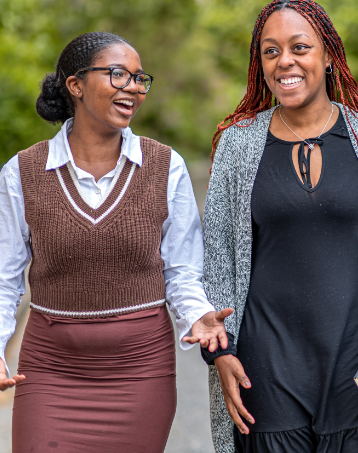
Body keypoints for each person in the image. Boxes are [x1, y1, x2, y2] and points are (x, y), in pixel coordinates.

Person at [0, 31, 231, 453]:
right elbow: (4, 278)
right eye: (119, 75)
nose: (133, 89)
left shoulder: (166, 166)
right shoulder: (22, 173)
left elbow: (181, 269)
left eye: (140, 79)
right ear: (76, 85)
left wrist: (198, 316)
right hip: (52, 370)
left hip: (140, 372)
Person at [200, 0, 358, 453]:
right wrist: (222, 353)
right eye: (270, 51)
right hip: (266, 380)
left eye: (299, 47)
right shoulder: (239, 144)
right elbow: (217, 257)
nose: (284, 61)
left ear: (328, 56)